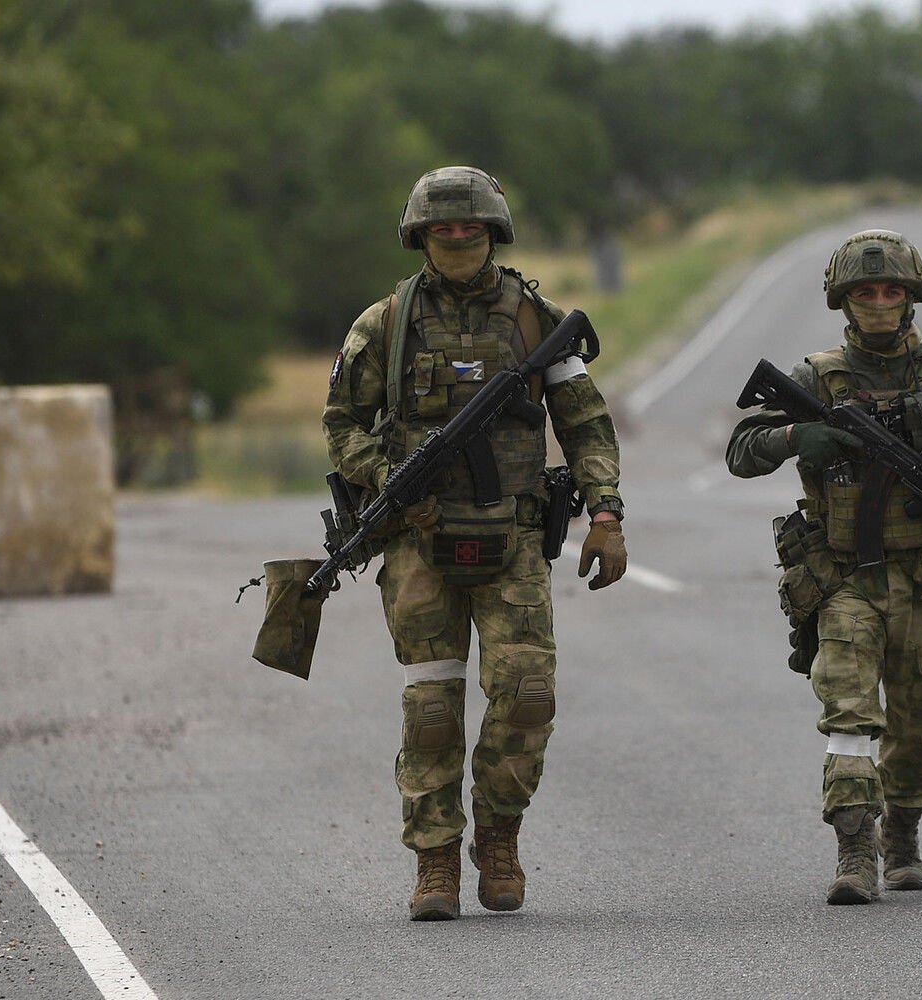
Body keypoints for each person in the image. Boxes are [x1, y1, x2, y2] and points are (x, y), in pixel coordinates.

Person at [322, 166, 627, 921]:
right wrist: (391, 475)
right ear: (419, 235)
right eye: (442, 228)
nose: (457, 238)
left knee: (525, 696)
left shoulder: (536, 319)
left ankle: (498, 840)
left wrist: (608, 515)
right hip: (418, 544)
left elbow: (585, 422)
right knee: (431, 704)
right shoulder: (385, 324)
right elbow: (340, 425)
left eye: (470, 227)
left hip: (515, 540)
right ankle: (433, 861)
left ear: (493, 231)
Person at [726, 230, 922, 904]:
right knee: (850, 713)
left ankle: (901, 833)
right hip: (846, 576)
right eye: (865, 291)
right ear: (842, 300)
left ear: (912, 297)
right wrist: (800, 436)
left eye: (891, 291)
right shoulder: (815, 379)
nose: (879, 302)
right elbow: (741, 449)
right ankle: (854, 850)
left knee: (916, 729)